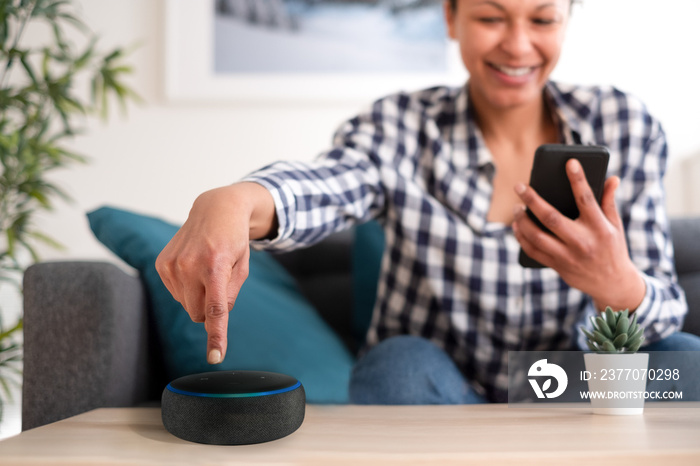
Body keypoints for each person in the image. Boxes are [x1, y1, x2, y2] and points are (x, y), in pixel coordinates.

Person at [156, 0, 700, 404]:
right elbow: (329, 181)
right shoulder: (402, 125)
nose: (517, 45)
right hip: (436, 395)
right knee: (396, 364)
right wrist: (236, 200)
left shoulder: (624, 123)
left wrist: (615, 283)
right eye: (491, 18)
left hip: (574, 392)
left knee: (684, 359)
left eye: (541, 19)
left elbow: (663, 309)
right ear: (450, 17)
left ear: (566, 21)